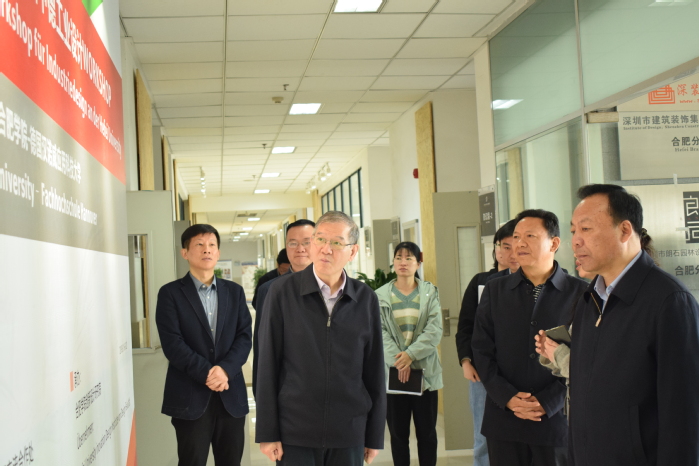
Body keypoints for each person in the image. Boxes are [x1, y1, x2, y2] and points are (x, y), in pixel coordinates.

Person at [568, 184, 699, 466]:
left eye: (586, 229)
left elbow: (684, 416)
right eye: (573, 231)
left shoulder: (669, 301)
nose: (576, 241)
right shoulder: (588, 299)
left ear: (625, 230)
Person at [255, 211, 386, 466]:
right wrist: (268, 433)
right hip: (295, 431)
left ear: (353, 251)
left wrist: (374, 435)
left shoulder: (365, 298)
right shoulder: (281, 292)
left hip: (348, 431)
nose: (326, 249)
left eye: (337, 242)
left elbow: (374, 371)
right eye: (320, 239)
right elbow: (267, 364)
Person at [472, 209, 587, 466]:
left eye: (530, 236)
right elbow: (481, 349)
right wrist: (508, 397)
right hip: (504, 418)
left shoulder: (580, 293)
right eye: (516, 237)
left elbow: (585, 357)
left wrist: (548, 401)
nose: (519, 244)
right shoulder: (495, 289)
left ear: (554, 243)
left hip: (556, 420)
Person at [155, 224, 252, 466]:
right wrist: (209, 373)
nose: (206, 250)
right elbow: (172, 343)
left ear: (218, 253)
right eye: (199, 244)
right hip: (190, 395)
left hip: (230, 395)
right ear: (185, 253)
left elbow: (244, 337)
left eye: (211, 245)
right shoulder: (170, 294)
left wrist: (224, 370)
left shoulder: (235, 292)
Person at [455, 219, 519, 466]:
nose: (511, 253)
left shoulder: (535, 283)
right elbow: (466, 325)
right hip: (482, 370)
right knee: (483, 436)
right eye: (505, 246)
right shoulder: (482, 281)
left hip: (517, 370)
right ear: (495, 248)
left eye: (517, 246)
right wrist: (466, 360)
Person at [375, 242, 442, 466]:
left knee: (427, 434)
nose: (403, 262)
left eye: (409, 258)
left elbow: (434, 330)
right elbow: (379, 333)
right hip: (394, 375)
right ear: (393, 262)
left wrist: (410, 355)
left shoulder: (429, 292)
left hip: (425, 375)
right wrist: (400, 361)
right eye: (399, 258)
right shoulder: (379, 296)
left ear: (418, 263)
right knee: (398, 435)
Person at [251, 219, 315, 398]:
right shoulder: (269, 290)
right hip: (287, 389)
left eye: (306, 242)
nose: (300, 248)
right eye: (293, 243)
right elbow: (262, 345)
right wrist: (261, 393)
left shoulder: (334, 288)